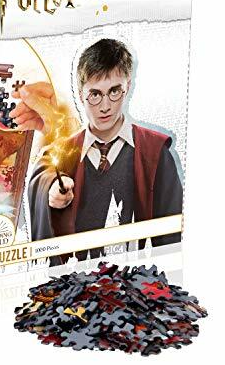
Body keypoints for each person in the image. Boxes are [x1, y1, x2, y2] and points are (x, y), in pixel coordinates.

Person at [10, 38, 183, 264]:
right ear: (80, 94)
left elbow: (172, 238)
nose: (105, 106)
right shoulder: (62, 152)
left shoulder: (155, 152)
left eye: (114, 91)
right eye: (95, 94)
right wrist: (50, 190)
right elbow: (45, 173)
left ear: (127, 87)